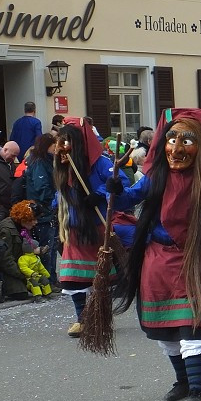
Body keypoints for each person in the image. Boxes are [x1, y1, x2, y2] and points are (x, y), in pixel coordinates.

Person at [112, 108, 201, 401]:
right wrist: (114, 191)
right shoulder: (155, 178)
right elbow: (127, 199)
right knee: (164, 328)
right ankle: (181, 382)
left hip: (191, 259)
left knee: (191, 327)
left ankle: (196, 391)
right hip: (156, 259)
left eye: (188, 140)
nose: (176, 148)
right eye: (171, 138)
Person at [53, 118, 149, 337]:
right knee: (72, 277)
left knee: (99, 278)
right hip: (72, 229)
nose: (62, 147)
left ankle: (98, 316)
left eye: (67, 142)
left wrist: (101, 194)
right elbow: (58, 192)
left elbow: (120, 185)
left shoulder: (101, 162)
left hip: (96, 228)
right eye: (61, 142)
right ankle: (82, 319)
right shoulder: (63, 166)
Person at [24, 133, 57, 280]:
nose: (56, 148)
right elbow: (41, 187)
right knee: (46, 246)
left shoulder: (45, 161)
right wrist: (52, 200)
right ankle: (47, 279)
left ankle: (51, 278)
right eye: (54, 145)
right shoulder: (39, 163)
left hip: (46, 209)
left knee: (52, 245)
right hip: (43, 210)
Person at [0, 200, 39, 301]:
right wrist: (23, 274)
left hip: (21, 266)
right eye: (33, 219)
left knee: (41, 286)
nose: (36, 223)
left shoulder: (23, 228)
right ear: (25, 219)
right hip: (9, 270)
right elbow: (5, 259)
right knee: (21, 294)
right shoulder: (7, 229)